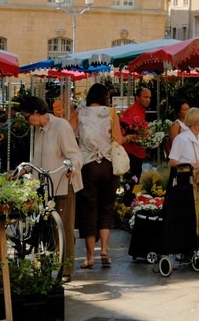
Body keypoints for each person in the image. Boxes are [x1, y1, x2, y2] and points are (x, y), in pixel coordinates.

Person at [18, 96, 82, 282]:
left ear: (37, 112)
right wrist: (25, 170)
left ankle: (67, 269)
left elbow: (75, 154)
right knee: (45, 227)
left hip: (62, 182)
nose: (26, 120)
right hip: (44, 185)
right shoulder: (39, 130)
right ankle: (47, 261)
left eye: (26, 116)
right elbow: (37, 159)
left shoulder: (61, 126)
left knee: (64, 227)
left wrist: (72, 167)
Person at [70, 83, 124, 270]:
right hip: (108, 164)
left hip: (87, 166)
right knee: (106, 207)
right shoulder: (110, 112)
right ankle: (105, 251)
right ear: (104, 97)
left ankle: (90, 256)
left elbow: (70, 133)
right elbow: (119, 138)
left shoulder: (80, 112)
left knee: (88, 209)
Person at [168, 107, 199, 235]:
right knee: (189, 207)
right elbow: (172, 161)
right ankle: (188, 235)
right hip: (186, 176)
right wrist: (188, 164)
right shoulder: (181, 139)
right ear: (194, 122)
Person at [120, 87, 151, 205]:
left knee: (135, 179)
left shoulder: (140, 111)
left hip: (138, 152)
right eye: (145, 97)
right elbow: (125, 133)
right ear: (137, 98)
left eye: (149, 97)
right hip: (132, 153)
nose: (148, 100)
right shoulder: (132, 112)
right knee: (132, 181)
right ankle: (127, 205)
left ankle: (131, 202)